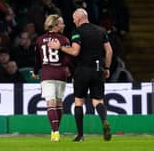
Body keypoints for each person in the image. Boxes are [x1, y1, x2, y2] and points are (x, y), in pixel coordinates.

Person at [48, 8, 113, 142]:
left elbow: (75, 51)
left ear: (78, 18)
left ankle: (80, 135)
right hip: (98, 69)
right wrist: (106, 67)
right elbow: (109, 51)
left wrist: (59, 47)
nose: (73, 21)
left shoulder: (77, 31)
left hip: (83, 70)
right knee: (97, 101)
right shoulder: (101, 30)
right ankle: (105, 121)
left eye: (73, 18)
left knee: (79, 102)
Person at [31, 14, 71, 142]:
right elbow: (68, 59)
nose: (63, 25)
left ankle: (55, 131)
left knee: (50, 104)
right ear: (54, 25)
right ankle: (55, 131)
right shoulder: (64, 40)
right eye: (61, 23)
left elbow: (38, 60)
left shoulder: (39, 40)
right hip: (61, 74)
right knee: (59, 104)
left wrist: (36, 72)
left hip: (47, 74)